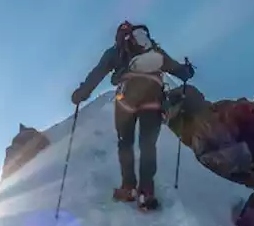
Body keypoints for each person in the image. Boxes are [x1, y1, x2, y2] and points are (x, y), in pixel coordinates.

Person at [71, 22, 195, 210]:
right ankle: (146, 192)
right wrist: (186, 72)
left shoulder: (116, 51)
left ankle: (129, 188)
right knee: (148, 145)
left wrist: (82, 93)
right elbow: (177, 70)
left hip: (126, 98)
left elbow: (98, 73)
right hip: (153, 97)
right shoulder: (154, 50)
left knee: (125, 142)